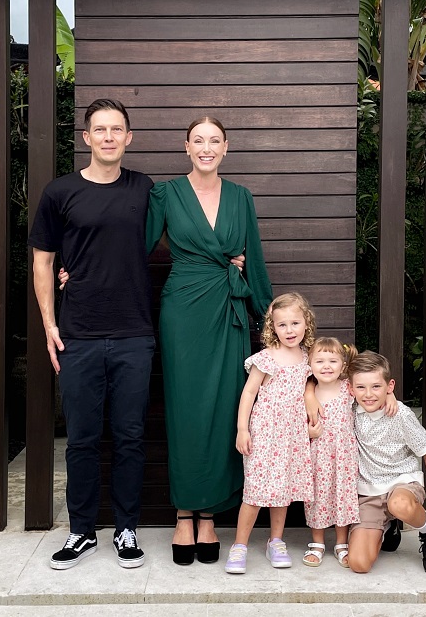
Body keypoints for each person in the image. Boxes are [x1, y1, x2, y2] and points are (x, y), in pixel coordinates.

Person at [28, 98, 153, 571]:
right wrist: (49, 324)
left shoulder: (144, 189)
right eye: (100, 129)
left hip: (134, 332)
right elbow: (43, 261)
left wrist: (227, 255)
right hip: (78, 334)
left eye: (116, 129)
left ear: (128, 138)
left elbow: (181, 232)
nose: (108, 137)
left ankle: (125, 529)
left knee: (130, 437)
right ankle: (81, 531)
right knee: (81, 439)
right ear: (86, 138)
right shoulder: (60, 192)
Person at [145, 117, 273, 565]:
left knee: (223, 412)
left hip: (229, 313)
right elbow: (133, 247)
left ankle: (209, 516)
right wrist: (80, 272)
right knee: (185, 412)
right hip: (182, 311)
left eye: (214, 140)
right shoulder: (165, 194)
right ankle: (184, 513)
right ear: (186, 147)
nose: (206, 147)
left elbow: (254, 260)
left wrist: (272, 326)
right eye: (198, 140)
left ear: (226, 147)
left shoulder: (241, 197)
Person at [225, 292, 316, 574]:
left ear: (306, 323)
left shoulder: (307, 357)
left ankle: (275, 541)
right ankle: (239, 545)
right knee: (254, 491)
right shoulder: (266, 358)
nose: (289, 330)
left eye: (295, 323)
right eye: (282, 325)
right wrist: (242, 428)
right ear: (272, 327)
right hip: (265, 432)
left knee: (282, 490)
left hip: (292, 435)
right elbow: (249, 393)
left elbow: (321, 379)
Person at [345, 351, 426, 575]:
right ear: (350, 389)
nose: (368, 394)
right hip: (369, 491)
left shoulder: (400, 414)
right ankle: (388, 526)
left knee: (399, 504)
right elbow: (320, 379)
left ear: (389, 386)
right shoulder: (349, 410)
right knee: (358, 564)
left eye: (376, 386)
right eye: (361, 387)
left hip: (403, 483)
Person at [301, 337, 360, 569]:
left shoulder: (348, 388)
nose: (326, 366)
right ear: (310, 365)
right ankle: (317, 543)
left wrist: (391, 396)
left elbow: (372, 390)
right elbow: (296, 424)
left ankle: (341, 543)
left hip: (345, 456)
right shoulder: (307, 392)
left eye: (333, 361)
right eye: (320, 361)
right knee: (318, 497)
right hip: (318, 456)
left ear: (343, 365)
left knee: (342, 496)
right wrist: (307, 432)